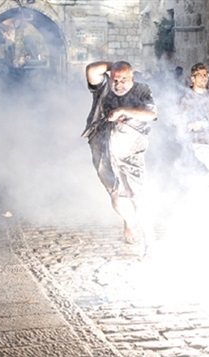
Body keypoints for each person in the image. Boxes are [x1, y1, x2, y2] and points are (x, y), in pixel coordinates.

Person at [82, 61, 157, 244]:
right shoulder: (105, 87)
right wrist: (111, 65)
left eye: (123, 79)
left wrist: (123, 111)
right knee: (114, 192)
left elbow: (151, 114)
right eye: (115, 79)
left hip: (131, 149)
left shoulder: (141, 90)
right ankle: (129, 222)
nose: (118, 84)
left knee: (136, 194)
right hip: (102, 146)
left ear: (132, 77)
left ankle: (148, 238)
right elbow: (91, 70)